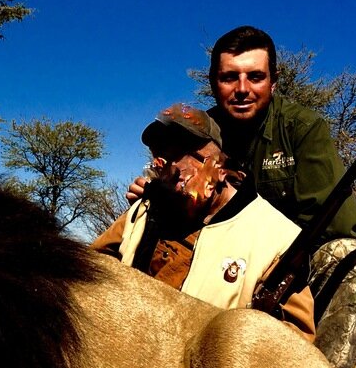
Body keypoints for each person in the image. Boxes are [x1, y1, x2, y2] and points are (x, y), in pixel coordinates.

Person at [127, 26, 356, 368]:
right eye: (229, 78)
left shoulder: (303, 128)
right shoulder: (200, 127)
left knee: (347, 254)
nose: (242, 89)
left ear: (273, 82)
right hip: (213, 255)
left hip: (276, 258)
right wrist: (155, 190)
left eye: (255, 77)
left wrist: (259, 247)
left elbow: (335, 224)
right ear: (212, 82)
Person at [95, 103, 315, 340]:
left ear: (220, 167)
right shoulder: (142, 211)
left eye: (183, 154)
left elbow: (296, 342)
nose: (170, 167)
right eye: (162, 155)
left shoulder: (277, 238)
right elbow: (90, 271)